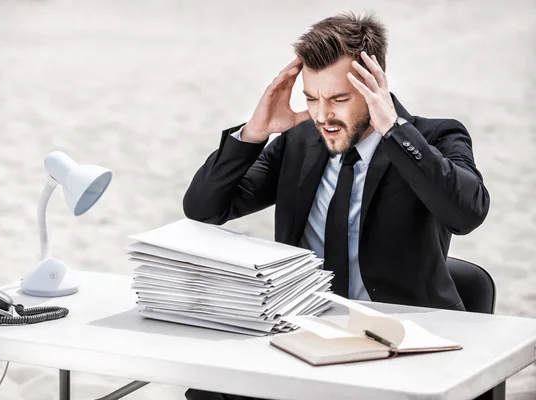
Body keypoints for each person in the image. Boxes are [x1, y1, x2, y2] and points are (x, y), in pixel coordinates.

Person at [182, 11, 490, 400]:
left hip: (402, 344)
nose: (323, 115)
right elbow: (206, 208)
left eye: (339, 99)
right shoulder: (298, 142)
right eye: (312, 98)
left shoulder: (434, 138)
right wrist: (253, 133)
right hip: (304, 335)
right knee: (207, 391)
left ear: (373, 85)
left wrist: (393, 130)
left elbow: (467, 214)